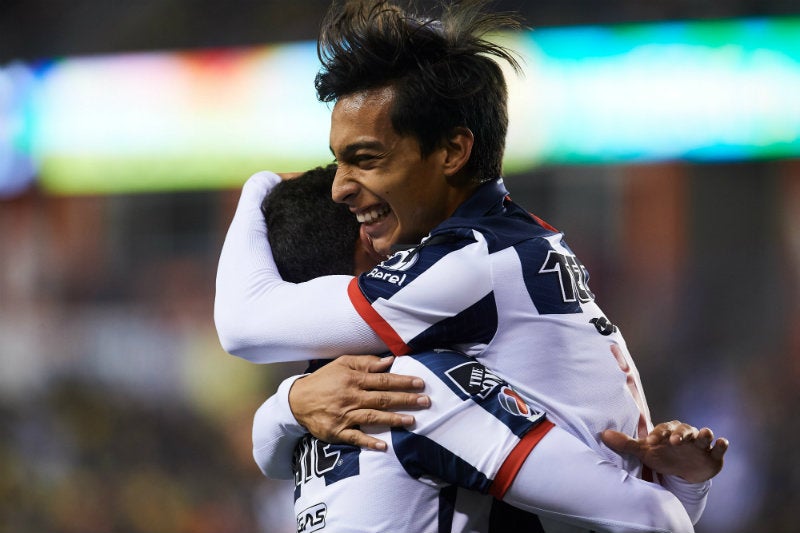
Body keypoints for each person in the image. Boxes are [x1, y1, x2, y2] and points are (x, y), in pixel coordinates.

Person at [214, 0, 727, 529]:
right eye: (339, 159)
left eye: (366, 159)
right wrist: (290, 404)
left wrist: (259, 187)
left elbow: (243, 325)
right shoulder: (508, 246)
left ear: (453, 151)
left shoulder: (459, 274)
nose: (341, 187)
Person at [249, 165, 725, 532]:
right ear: (369, 246)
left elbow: (264, 450)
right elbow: (653, 519)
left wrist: (288, 401)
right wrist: (683, 486)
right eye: (379, 219)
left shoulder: (309, 410)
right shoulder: (412, 388)